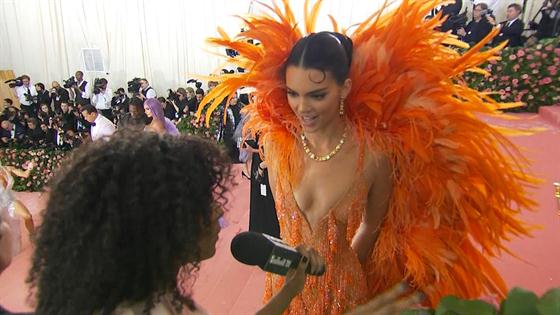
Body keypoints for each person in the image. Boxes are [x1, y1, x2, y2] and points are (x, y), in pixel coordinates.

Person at [198, 0, 536, 312]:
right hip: (284, 292)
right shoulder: (275, 145)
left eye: (317, 94)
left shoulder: (374, 156)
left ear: (344, 88)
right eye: (293, 93)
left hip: (347, 295)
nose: (303, 107)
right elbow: (282, 225)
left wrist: (340, 270)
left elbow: (372, 225)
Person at [26, 131, 419, 315]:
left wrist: (288, 292)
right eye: (204, 206)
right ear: (163, 228)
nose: (219, 214)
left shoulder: (143, 295)